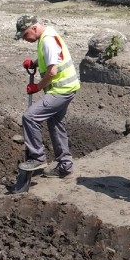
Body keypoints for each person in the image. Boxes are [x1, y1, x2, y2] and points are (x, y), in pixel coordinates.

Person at [15, 15, 80, 178]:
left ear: (34, 28)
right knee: (55, 123)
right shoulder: (46, 36)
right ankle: (65, 166)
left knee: (30, 117)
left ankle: (37, 158)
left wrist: (37, 87)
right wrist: (35, 63)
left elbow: (52, 71)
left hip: (61, 90)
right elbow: (51, 58)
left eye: (25, 35)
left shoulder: (48, 40)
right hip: (66, 88)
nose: (25, 39)